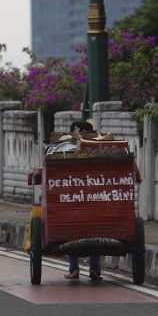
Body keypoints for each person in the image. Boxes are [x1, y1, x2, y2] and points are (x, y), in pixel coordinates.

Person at [62, 120, 102, 281]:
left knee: (72, 230)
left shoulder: (65, 148)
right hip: (95, 201)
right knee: (96, 232)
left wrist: (78, 140)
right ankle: (95, 269)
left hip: (74, 201)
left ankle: (74, 269)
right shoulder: (100, 149)